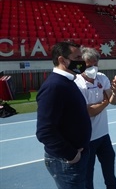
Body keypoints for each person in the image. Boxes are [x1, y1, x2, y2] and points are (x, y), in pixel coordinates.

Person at [36, 41, 92, 189]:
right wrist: (71, 154)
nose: (82, 61)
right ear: (62, 60)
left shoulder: (67, 82)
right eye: (77, 57)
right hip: (66, 161)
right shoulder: (54, 86)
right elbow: (44, 131)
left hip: (75, 157)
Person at [74, 47, 116, 189]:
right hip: (86, 139)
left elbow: (113, 101)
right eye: (89, 65)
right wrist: (106, 101)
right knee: (88, 175)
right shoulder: (77, 83)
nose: (93, 68)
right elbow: (89, 112)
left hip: (103, 135)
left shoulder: (102, 77)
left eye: (95, 64)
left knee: (110, 172)